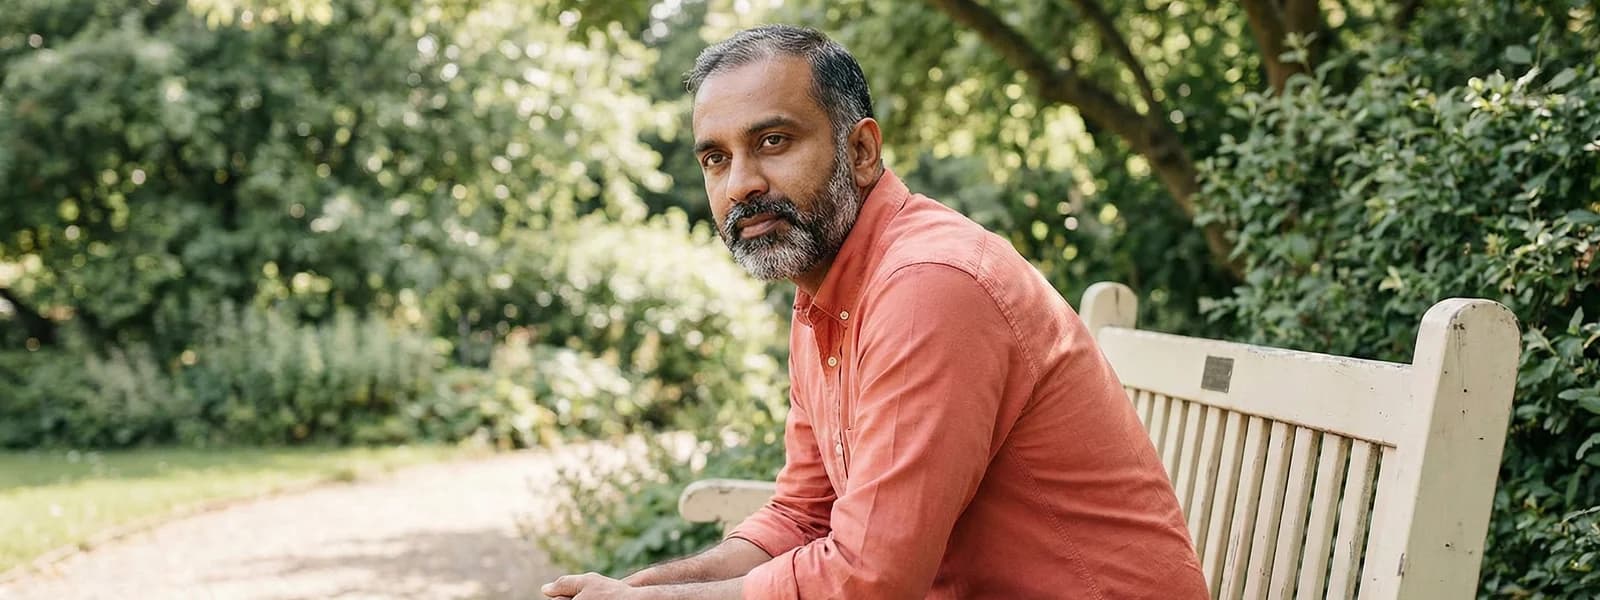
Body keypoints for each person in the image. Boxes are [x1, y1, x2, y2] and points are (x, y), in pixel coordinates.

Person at [543, 24, 1208, 600]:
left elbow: (868, 582)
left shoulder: (930, 286)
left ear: (861, 151)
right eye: (715, 158)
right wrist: (653, 587)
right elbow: (803, 516)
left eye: (772, 141)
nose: (740, 183)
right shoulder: (825, 296)